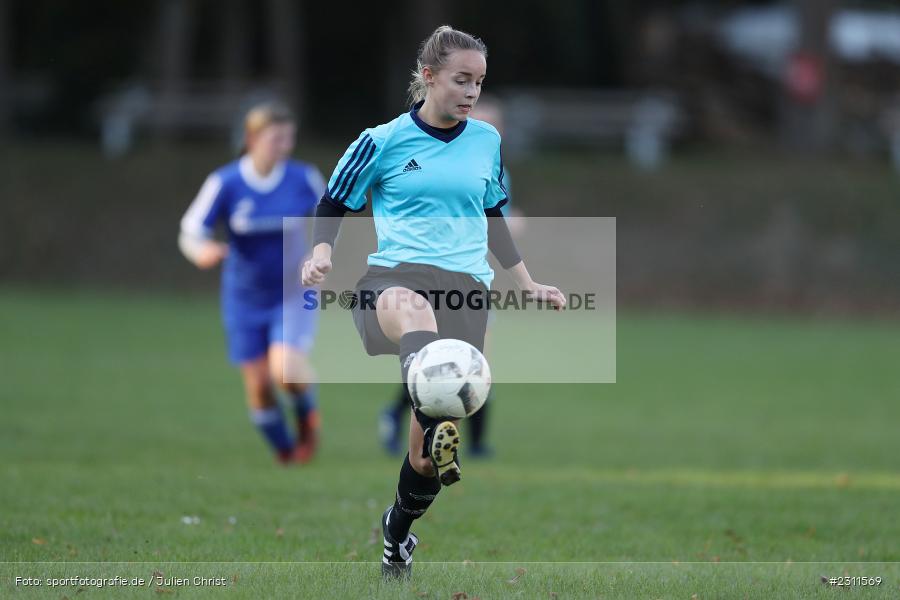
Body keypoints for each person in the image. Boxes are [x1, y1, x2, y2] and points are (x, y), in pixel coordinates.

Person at [302, 26, 565, 578]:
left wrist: (527, 282)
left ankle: (397, 531)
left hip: (467, 291)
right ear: (428, 76)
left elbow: (493, 215)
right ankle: (430, 408)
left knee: (424, 458)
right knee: (416, 312)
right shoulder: (382, 140)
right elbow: (333, 201)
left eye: (479, 82)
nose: (472, 92)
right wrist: (321, 252)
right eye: (461, 80)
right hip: (392, 281)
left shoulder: (486, 140)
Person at [377, 96, 522, 458]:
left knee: (471, 360)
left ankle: (471, 445)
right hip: (430, 277)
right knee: (442, 361)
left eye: (494, 124)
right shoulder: (434, 159)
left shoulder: (493, 164)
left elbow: (494, 216)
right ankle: (405, 422)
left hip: (473, 278)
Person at [179, 101, 323, 465]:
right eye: (276, 138)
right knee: (259, 385)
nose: (284, 147)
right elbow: (190, 231)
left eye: (289, 138)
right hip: (244, 297)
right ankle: (286, 452)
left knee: (285, 370)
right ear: (252, 138)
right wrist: (201, 250)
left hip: (293, 292)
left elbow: (331, 219)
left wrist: (320, 252)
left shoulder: (303, 178)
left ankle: (307, 419)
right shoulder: (226, 182)